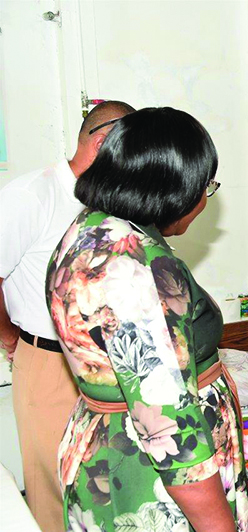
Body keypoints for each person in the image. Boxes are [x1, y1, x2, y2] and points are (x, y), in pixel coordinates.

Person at [44, 107, 248, 530]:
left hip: (106, 443)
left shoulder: (89, 228)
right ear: (174, 189)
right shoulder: (134, 269)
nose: (203, 200)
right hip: (152, 477)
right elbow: (172, 433)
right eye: (204, 186)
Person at [0, 100, 134, 531]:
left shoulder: (112, 202)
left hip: (108, 364)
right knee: (55, 489)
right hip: (49, 361)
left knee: (107, 490)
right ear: (102, 141)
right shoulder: (31, 195)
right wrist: (9, 339)